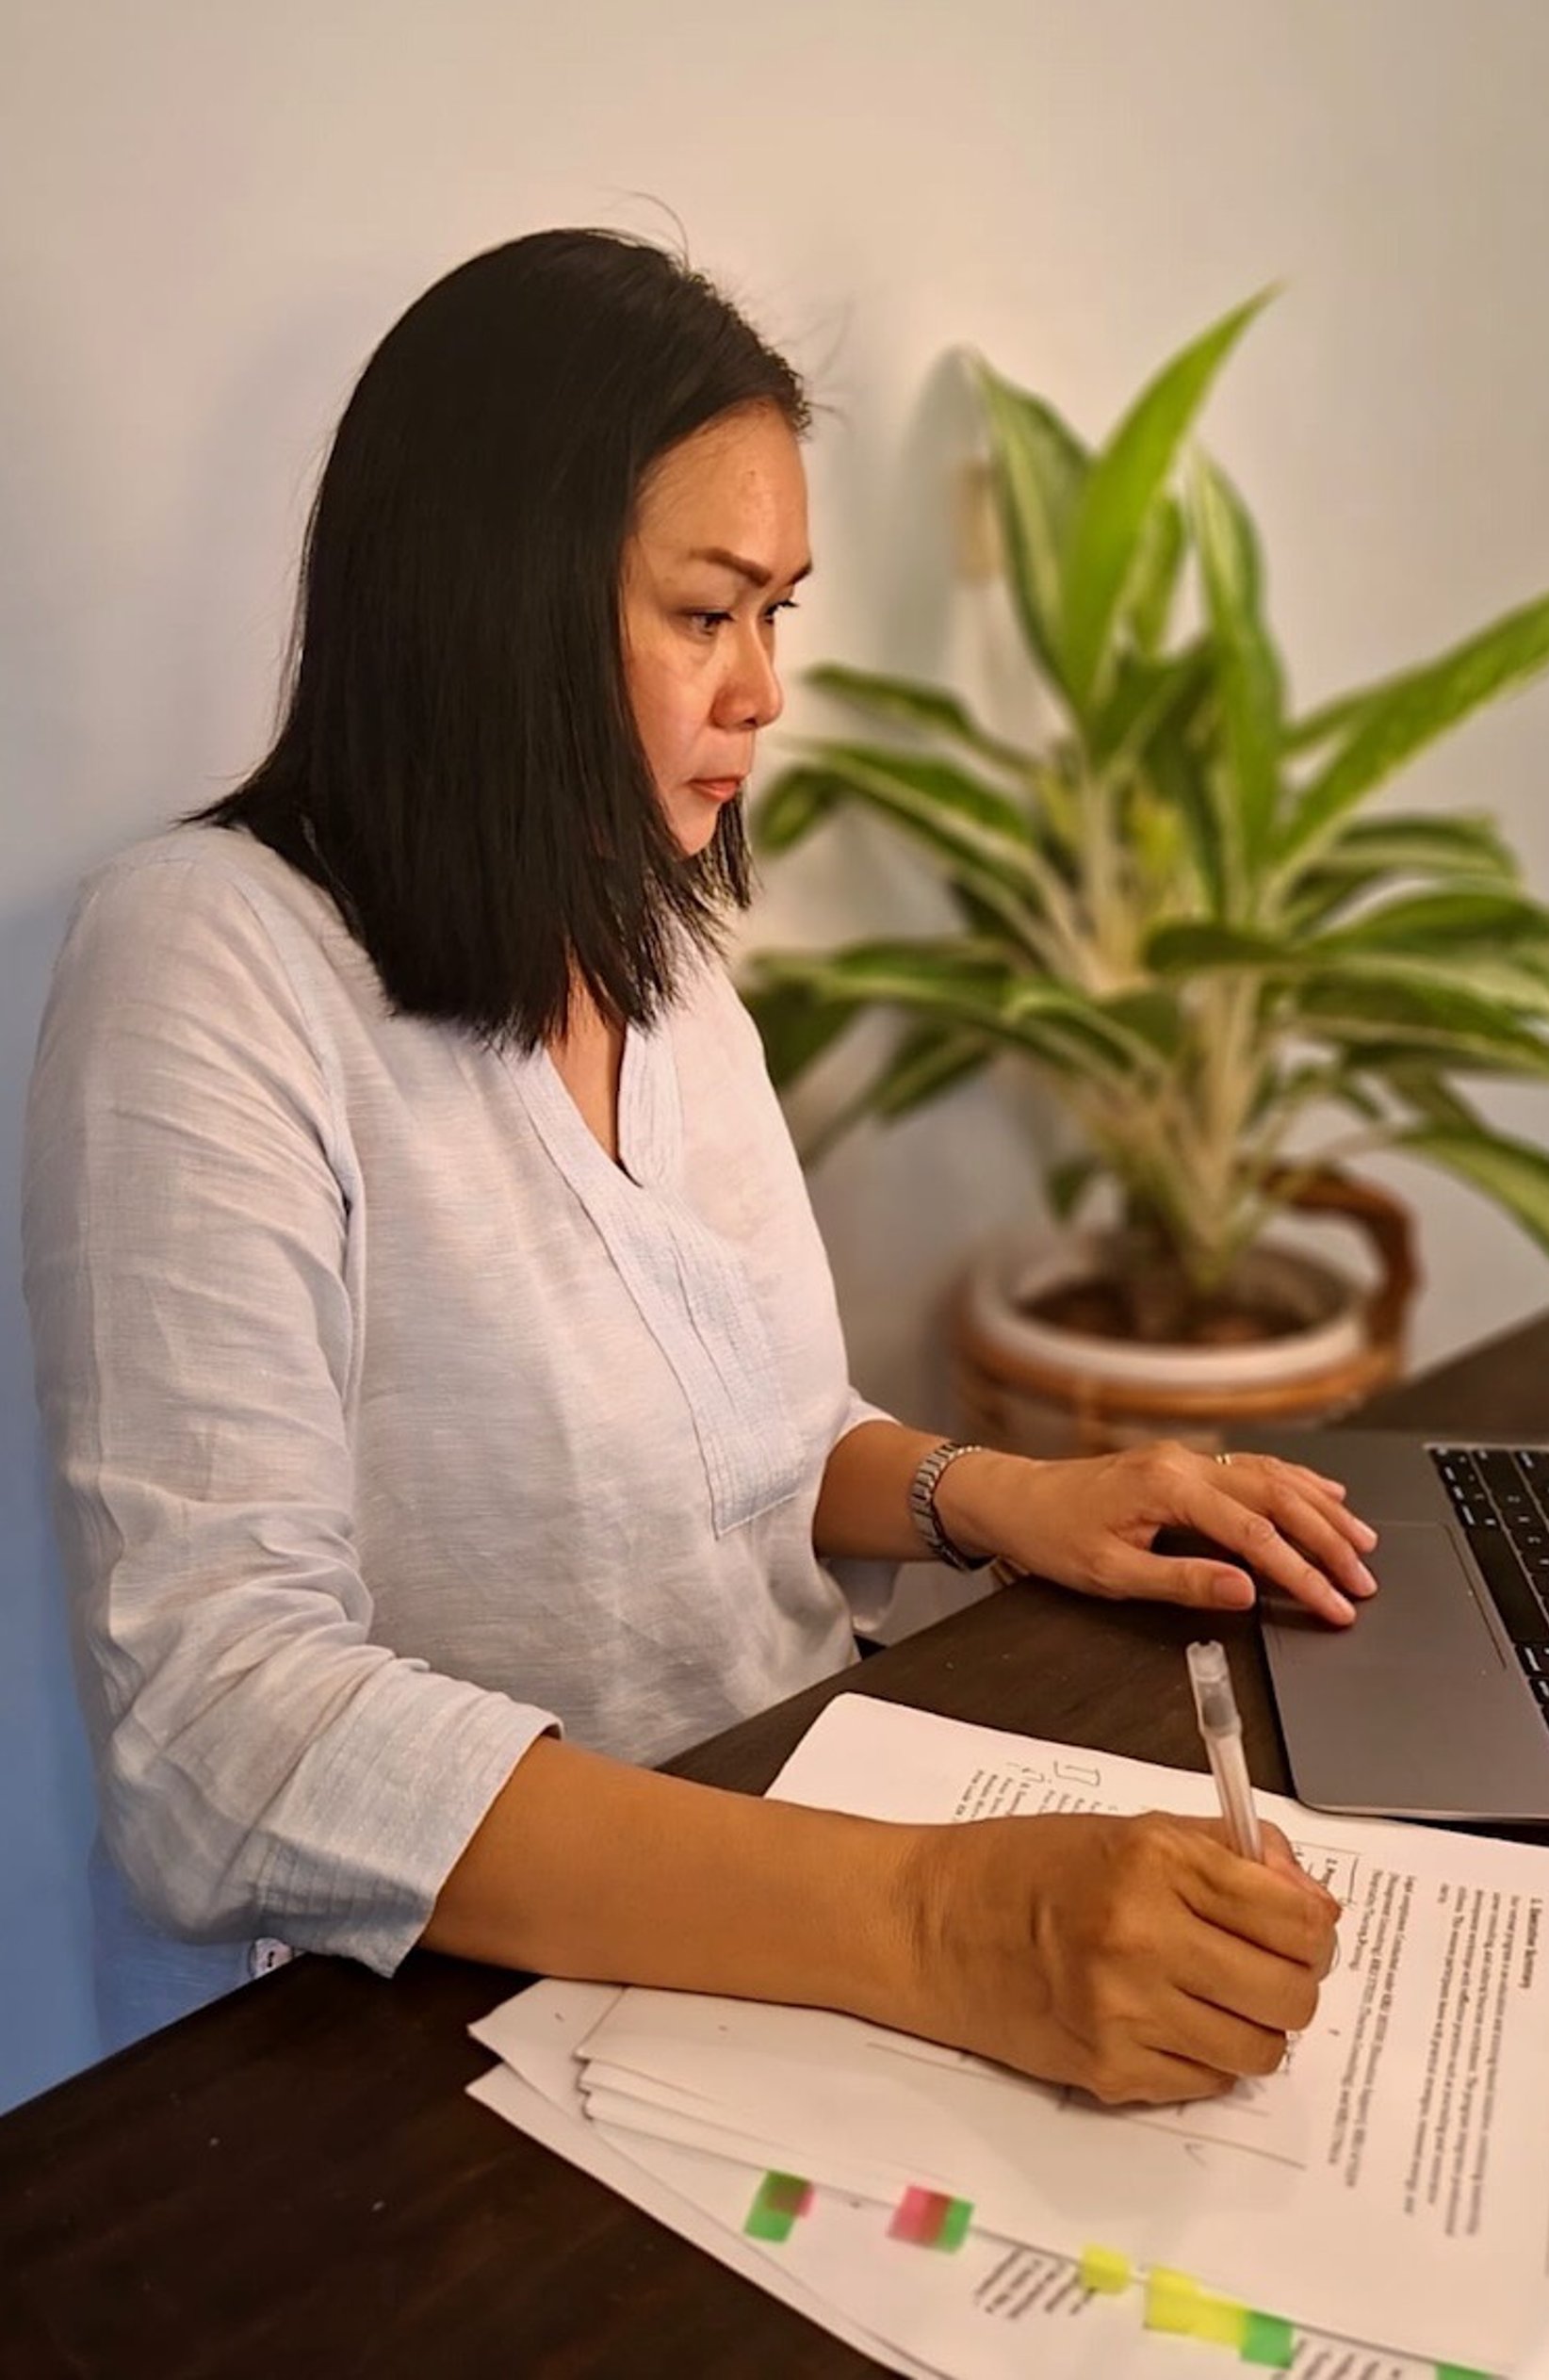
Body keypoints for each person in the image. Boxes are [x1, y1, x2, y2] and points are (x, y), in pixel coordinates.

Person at [23, 228, 1378, 2104]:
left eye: (777, 616)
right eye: (705, 613)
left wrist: (1001, 1497)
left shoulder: (653, 961)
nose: (764, 691)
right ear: (498, 604)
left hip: (781, 1890)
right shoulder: (205, 965)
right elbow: (219, 1731)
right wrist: (943, 1925)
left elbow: (759, 1440)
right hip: (422, 2049)